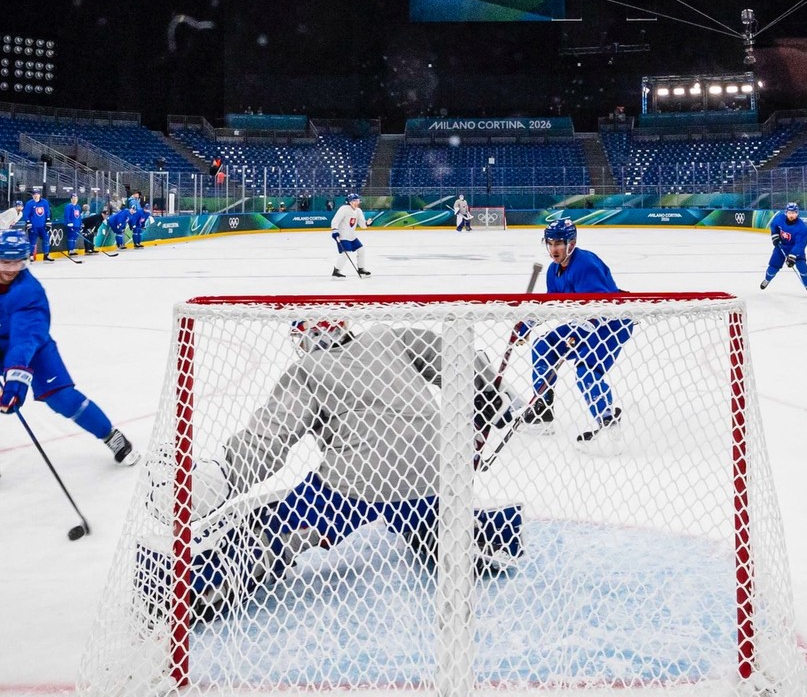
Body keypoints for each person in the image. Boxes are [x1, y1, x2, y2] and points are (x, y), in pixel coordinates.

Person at [153, 320, 522, 616]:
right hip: (434, 467)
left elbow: (270, 437)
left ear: (309, 335)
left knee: (273, 526)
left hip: (357, 482)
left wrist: (221, 474)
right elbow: (451, 353)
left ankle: (187, 587)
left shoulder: (309, 369)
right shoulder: (388, 337)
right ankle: (488, 533)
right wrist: (489, 388)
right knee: (425, 517)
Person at [0, 230, 136, 464]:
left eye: (17, 262)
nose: (11, 269)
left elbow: (24, 339)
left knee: (63, 398)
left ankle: (110, 435)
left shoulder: (29, 292)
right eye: (4, 261)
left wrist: (16, 378)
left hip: (34, 346)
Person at [517, 219, 633, 443]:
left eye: (559, 243)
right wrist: (527, 324)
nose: (553, 249)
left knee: (586, 371)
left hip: (612, 324)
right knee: (543, 347)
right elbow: (552, 303)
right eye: (550, 243)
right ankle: (542, 411)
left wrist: (580, 334)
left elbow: (601, 308)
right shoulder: (553, 270)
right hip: (583, 324)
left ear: (571, 242)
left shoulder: (585, 265)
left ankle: (608, 423)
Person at [761, 202, 807, 292]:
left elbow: (800, 244)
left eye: (793, 213)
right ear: (786, 213)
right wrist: (775, 236)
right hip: (781, 246)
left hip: (795, 248)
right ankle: (767, 279)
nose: (791, 215)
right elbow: (774, 226)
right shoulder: (780, 218)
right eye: (789, 213)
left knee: (802, 267)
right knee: (773, 266)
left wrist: (792, 256)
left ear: (797, 213)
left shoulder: (802, 228)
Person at [330, 193, 371, 279]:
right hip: (343, 236)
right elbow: (335, 221)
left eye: (357, 200)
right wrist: (335, 231)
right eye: (354, 201)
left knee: (361, 250)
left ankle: (361, 269)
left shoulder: (358, 211)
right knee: (345, 254)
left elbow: (362, 225)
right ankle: (336, 271)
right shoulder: (344, 209)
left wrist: (367, 224)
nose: (356, 202)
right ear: (350, 202)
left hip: (352, 236)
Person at [23, 187, 54, 262]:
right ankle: (31, 256)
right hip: (34, 226)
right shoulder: (29, 203)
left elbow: (47, 213)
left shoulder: (44, 202)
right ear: (32, 195)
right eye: (34, 194)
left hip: (42, 226)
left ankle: (46, 255)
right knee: (32, 241)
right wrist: (28, 222)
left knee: (46, 240)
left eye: (37, 194)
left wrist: (48, 221)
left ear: (40, 195)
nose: (36, 196)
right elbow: (26, 214)